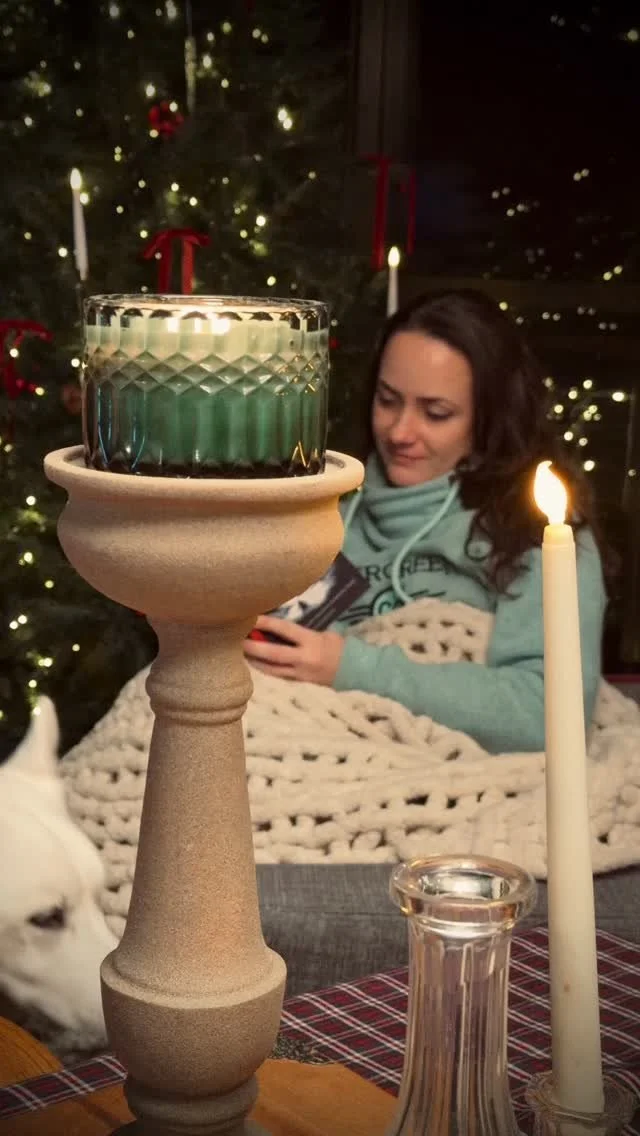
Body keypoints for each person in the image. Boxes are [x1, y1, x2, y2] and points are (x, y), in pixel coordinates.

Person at [244, 288, 608, 754]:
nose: (400, 432)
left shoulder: (538, 531)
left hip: (442, 770)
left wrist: (352, 668)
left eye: (436, 413)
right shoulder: (324, 507)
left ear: (489, 419)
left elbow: (544, 713)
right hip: (297, 738)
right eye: (387, 400)